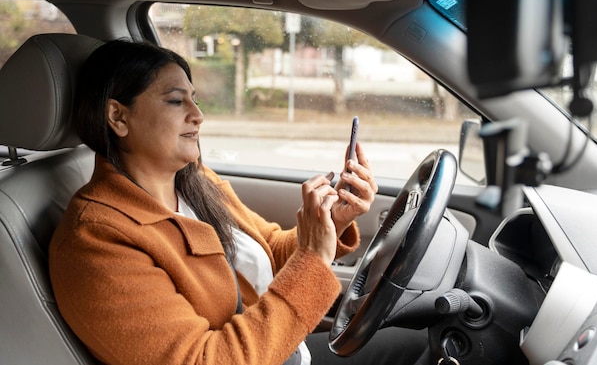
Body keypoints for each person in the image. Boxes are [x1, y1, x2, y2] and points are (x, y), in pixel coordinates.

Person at [49, 39, 425, 365]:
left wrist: (331, 222)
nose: (198, 115)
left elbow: (272, 254)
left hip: (284, 351)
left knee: (422, 340)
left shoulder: (195, 181)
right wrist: (313, 256)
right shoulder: (96, 240)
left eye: (194, 100)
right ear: (118, 116)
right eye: (176, 101)